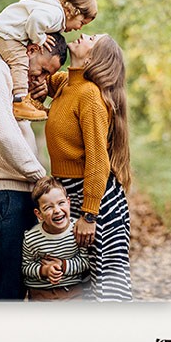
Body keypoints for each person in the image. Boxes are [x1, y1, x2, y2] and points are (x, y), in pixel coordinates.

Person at [0, 33, 68, 300]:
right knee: (5, 295)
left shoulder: (11, 79)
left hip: (13, 196)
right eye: (42, 69)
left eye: (48, 75)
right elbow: (3, 136)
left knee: (17, 291)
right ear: (32, 48)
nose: (40, 78)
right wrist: (42, 179)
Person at [40, 33, 133, 301]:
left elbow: (98, 159)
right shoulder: (68, 85)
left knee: (106, 290)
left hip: (97, 204)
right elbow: (51, 79)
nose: (84, 34)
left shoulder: (90, 96)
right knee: (80, 288)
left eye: (93, 38)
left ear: (93, 57)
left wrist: (89, 215)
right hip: (73, 195)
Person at [0, 0, 97, 121]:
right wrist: (40, 39)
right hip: (3, 33)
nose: (79, 28)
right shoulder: (56, 14)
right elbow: (35, 19)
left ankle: (29, 102)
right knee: (20, 62)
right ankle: (20, 101)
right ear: (74, 11)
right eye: (81, 22)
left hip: (5, 32)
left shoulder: (52, 9)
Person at [22, 176, 90, 301]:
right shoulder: (32, 237)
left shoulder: (77, 230)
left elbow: (85, 262)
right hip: (41, 293)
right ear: (39, 214)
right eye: (48, 207)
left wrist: (63, 265)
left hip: (73, 291)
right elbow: (26, 266)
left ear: (68, 203)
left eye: (61, 203)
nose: (57, 210)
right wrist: (44, 270)